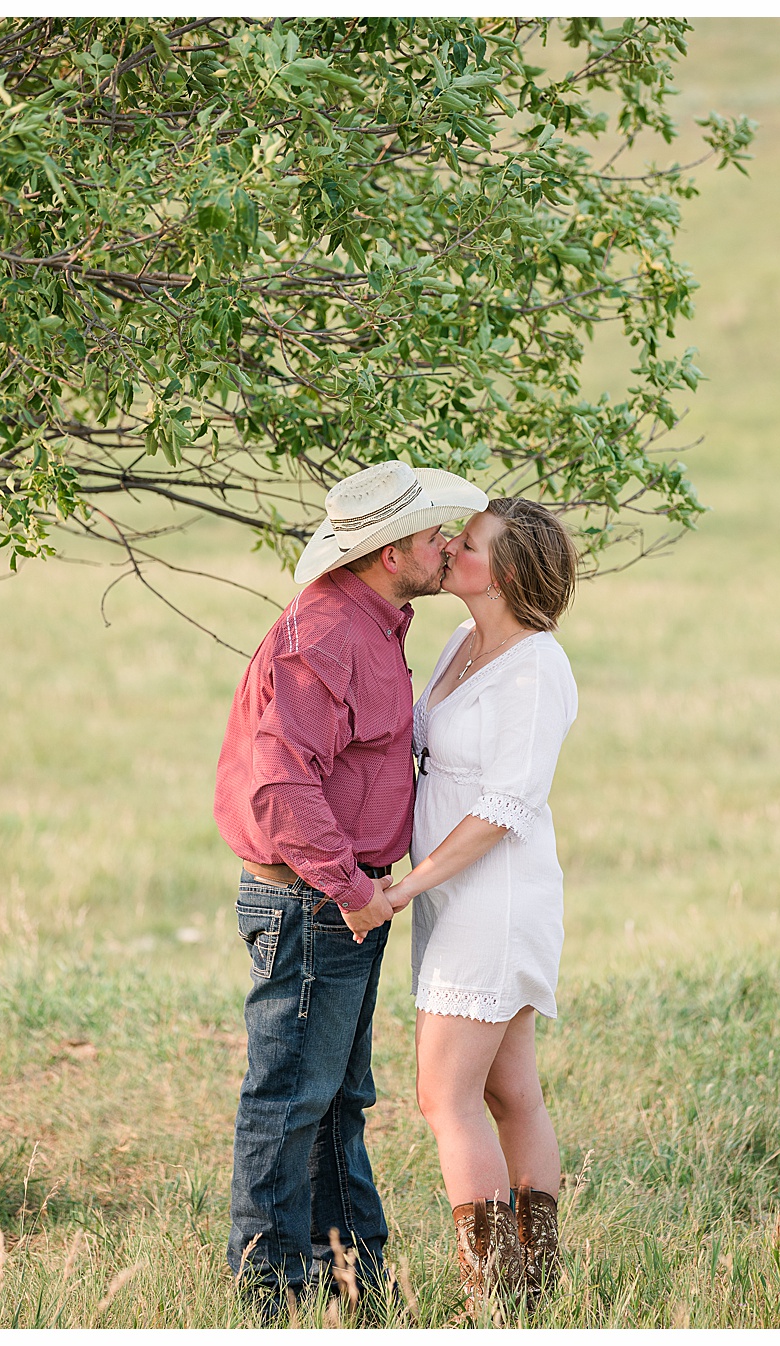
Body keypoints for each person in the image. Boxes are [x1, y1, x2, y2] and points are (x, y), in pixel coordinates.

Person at [213, 460, 486, 1312]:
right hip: (314, 898)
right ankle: (270, 1293)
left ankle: (353, 1280)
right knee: (292, 1099)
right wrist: (351, 890)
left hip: (338, 898)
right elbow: (281, 781)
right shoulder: (328, 634)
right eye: (436, 535)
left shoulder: (376, 621)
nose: (449, 546)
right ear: (390, 551)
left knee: (336, 1101)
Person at [378, 498, 578, 1307]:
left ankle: (494, 1300)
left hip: (492, 899)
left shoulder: (537, 668)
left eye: (472, 542)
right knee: (507, 1091)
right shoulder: (463, 641)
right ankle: (536, 1292)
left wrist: (404, 888)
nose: (453, 546)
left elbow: (505, 808)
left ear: (507, 571)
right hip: (452, 894)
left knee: (444, 1095)